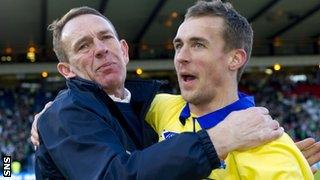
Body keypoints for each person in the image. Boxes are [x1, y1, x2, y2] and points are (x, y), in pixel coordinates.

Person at [33, 6, 285, 180]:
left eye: (105, 37)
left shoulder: (148, 104)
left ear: (124, 51)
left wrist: (263, 164)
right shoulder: (63, 115)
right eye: (83, 46)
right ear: (67, 70)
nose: (100, 50)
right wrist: (217, 140)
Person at [145, 0, 315, 179]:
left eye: (198, 45)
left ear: (235, 59)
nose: (181, 57)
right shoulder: (159, 107)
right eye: (179, 45)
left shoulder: (271, 151)